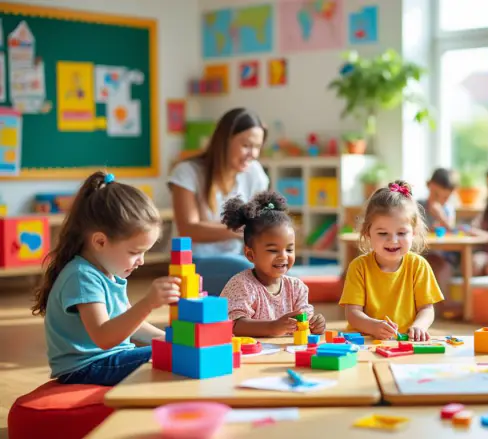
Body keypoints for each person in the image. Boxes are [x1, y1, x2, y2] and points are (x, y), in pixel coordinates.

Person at [32, 171, 180, 386]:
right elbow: (104, 337)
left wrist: (171, 340)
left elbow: (133, 326)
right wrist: (148, 303)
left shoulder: (107, 271)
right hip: (87, 367)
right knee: (177, 357)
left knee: (179, 351)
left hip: (108, 359)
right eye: (134, 252)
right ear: (100, 242)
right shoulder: (82, 276)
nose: (141, 261)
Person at [168, 108, 270, 296]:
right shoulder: (187, 172)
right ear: (224, 141)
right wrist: (240, 230)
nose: (253, 154)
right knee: (254, 272)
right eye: (246, 145)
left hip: (238, 256)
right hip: (195, 264)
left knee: (280, 272)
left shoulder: (254, 173)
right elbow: (188, 229)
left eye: (257, 147)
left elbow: (258, 221)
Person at [339, 181, 444, 341]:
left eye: (401, 233)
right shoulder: (359, 267)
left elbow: (427, 309)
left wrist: (419, 326)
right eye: (383, 233)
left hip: (404, 342)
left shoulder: (419, 266)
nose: (393, 240)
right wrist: (373, 327)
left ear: (413, 232)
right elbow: (352, 314)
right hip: (366, 341)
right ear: (367, 232)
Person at [219, 191, 325, 337]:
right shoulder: (242, 285)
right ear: (250, 254)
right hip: (250, 351)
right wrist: (272, 327)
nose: (283, 256)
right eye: (273, 250)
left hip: (285, 350)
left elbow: (304, 322)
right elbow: (233, 325)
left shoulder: (296, 287)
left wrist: (315, 325)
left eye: (289, 249)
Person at [419, 168, 462, 318]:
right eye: (436, 195)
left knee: (443, 266)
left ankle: (445, 304)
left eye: (445, 197)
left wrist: (442, 217)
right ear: (428, 185)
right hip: (422, 253)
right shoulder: (417, 207)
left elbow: (451, 231)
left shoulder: (448, 210)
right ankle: (441, 306)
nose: (440, 200)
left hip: (441, 254)